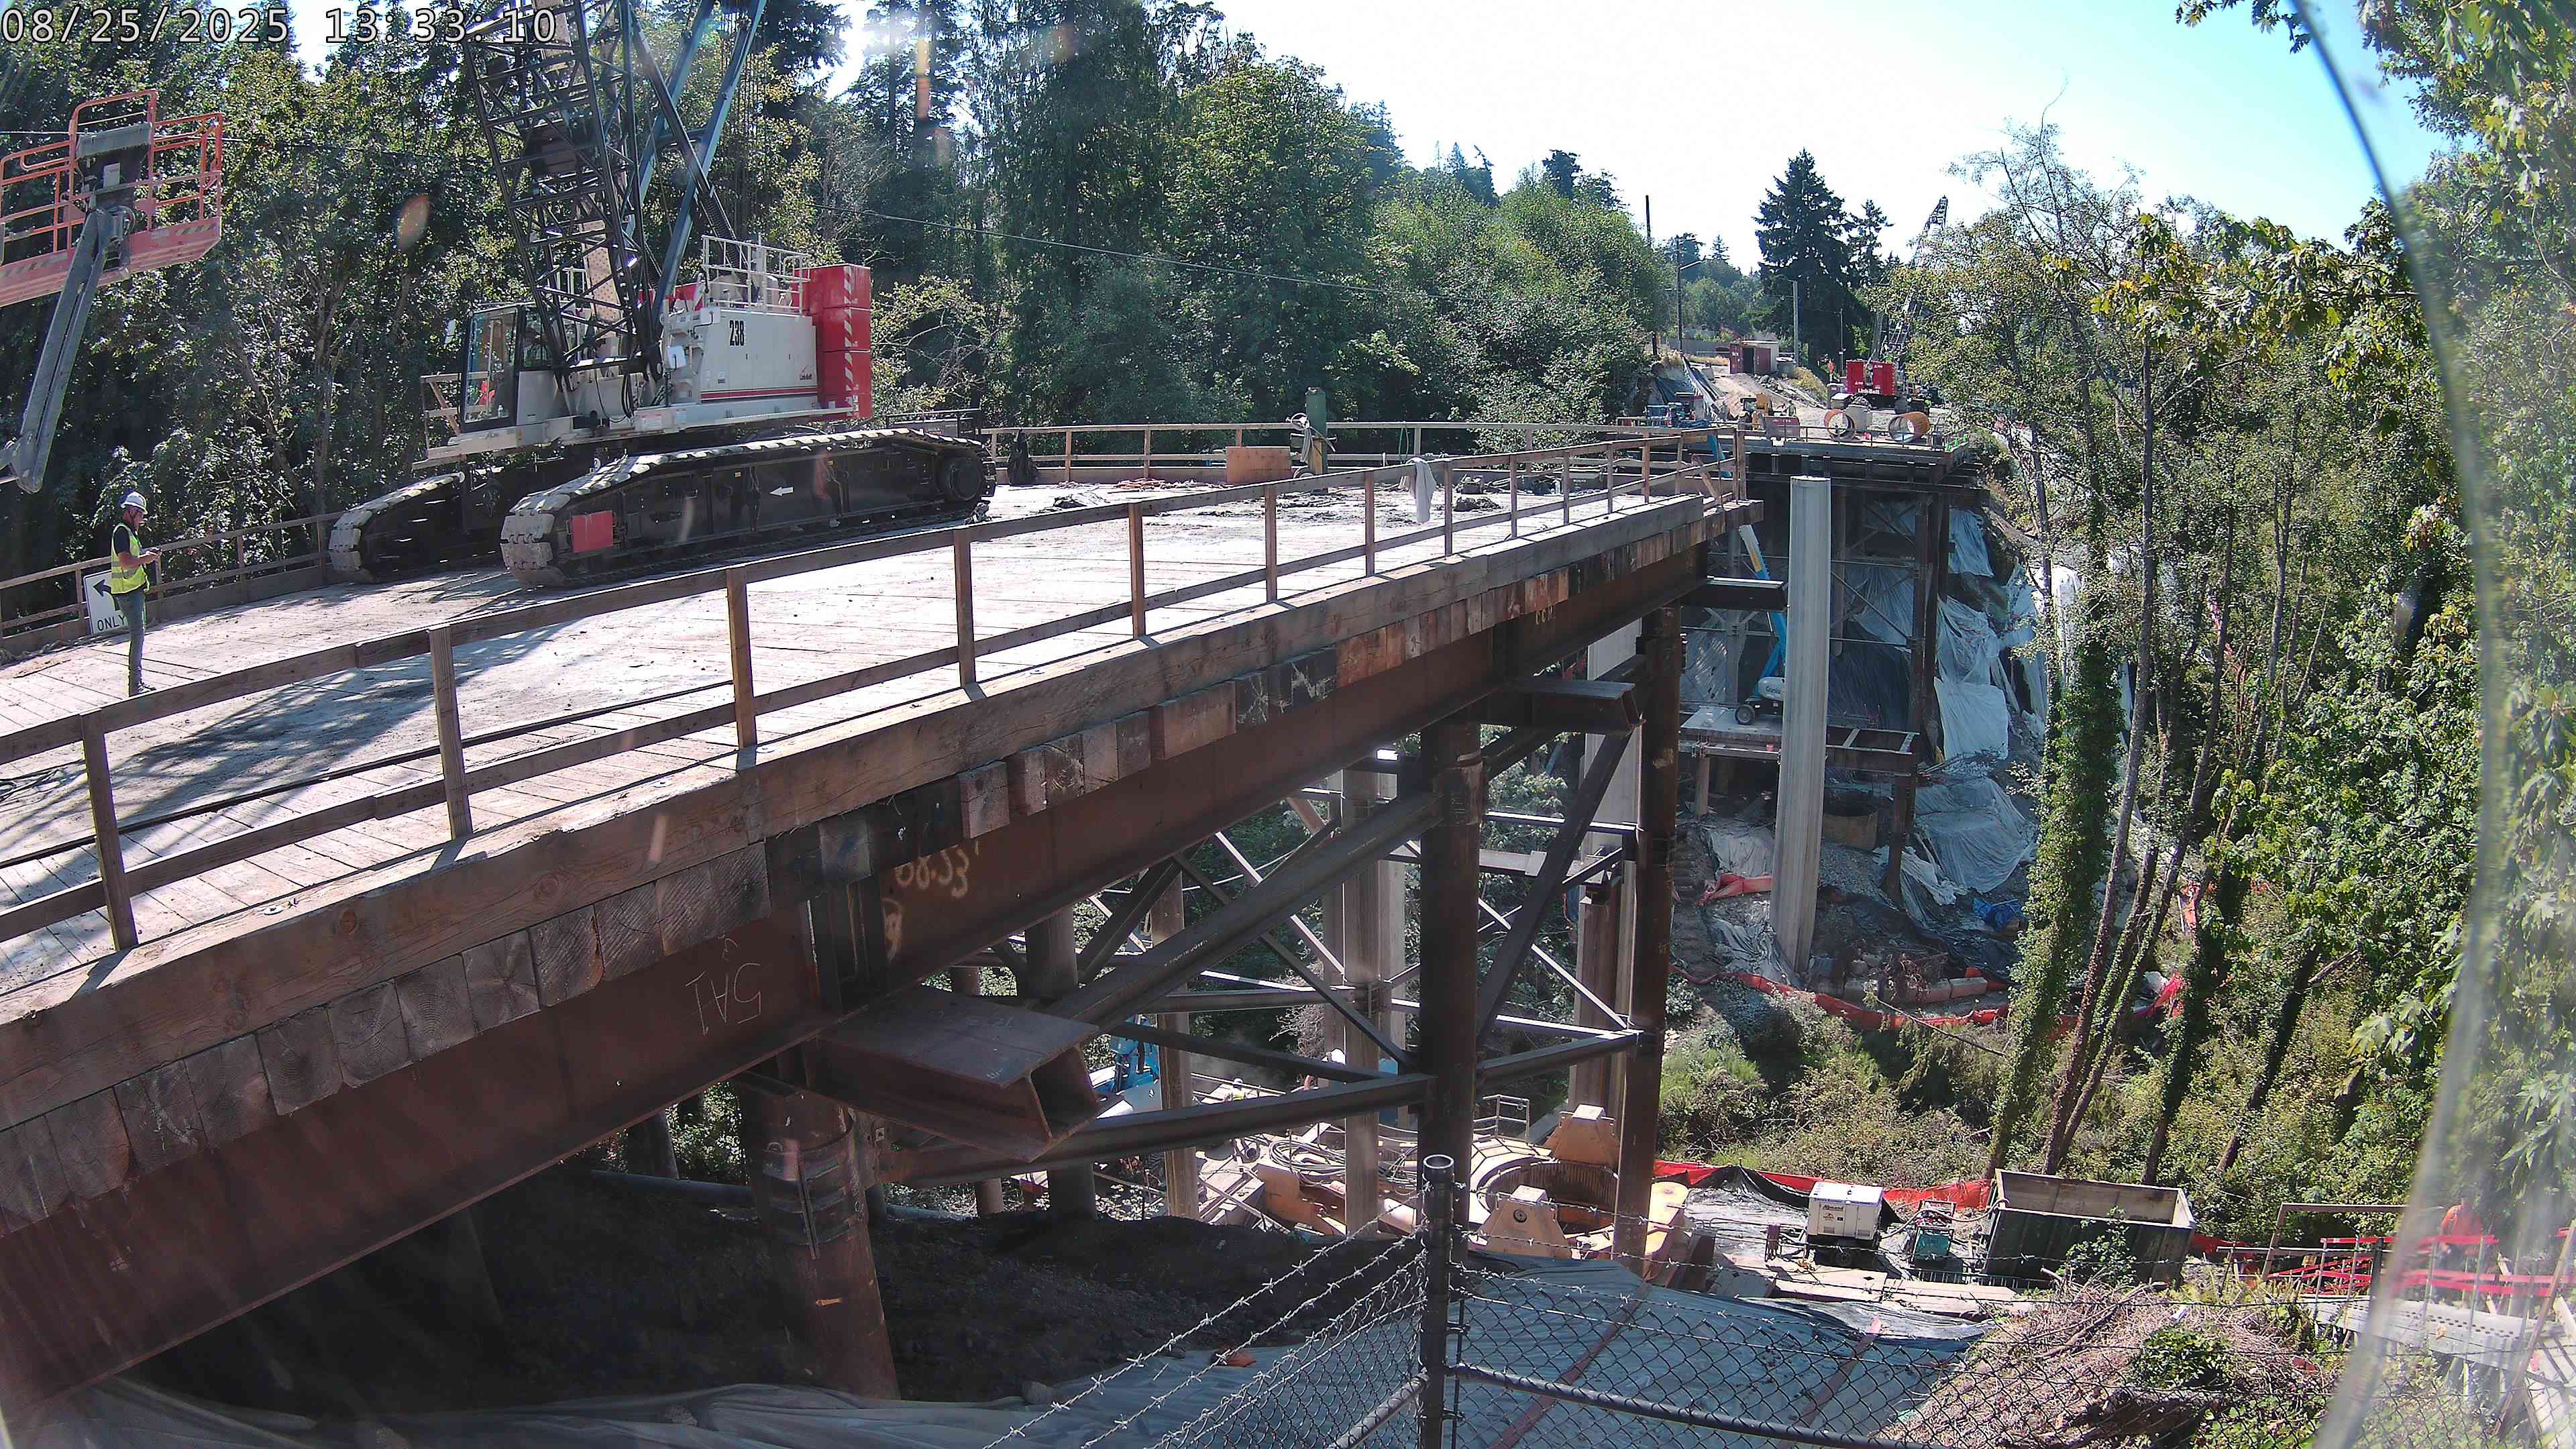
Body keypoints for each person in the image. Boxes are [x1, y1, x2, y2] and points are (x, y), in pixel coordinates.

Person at [107, 490, 160, 696]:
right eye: (140, 515)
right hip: (128, 592)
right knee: (137, 636)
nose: (141, 519)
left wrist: (146, 555)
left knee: (138, 635)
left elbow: (132, 558)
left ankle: (137, 683)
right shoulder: (122, 532)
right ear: (131, 511)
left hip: (132, 591)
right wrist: (146, 559)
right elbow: (126, 562)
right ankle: (135, 685)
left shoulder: (128, 532)